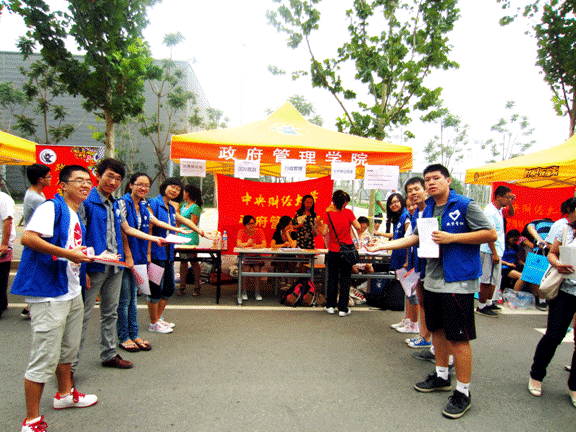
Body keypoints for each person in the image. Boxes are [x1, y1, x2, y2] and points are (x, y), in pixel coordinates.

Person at [371, 164, 496, 419]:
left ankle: (463, 392)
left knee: (458, 338)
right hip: (433, 279)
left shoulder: (465, 205)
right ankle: (441, 376)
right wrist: (383, 246)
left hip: (458, 280)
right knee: (437, 330)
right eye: (427, 179)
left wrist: (453, 238)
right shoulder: (427, 209)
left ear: (448, 180)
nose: (431, 183)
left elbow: (490, 233)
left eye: (436, 178)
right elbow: (415, 237)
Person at [11, 165, 98, 432]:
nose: (85, 185)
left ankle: (64, 395)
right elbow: (28, 238)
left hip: (70, 289)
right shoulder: (51, 208)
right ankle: (31, 420)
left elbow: (71, 248)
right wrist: (69, 254)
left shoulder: (75, 212)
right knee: (44, 356)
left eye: (88, 181)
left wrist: (80, 268)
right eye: (78, 180)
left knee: (68, 349)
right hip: (49, 292)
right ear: (63, 185)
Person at [74, 158, 133, 371]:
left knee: (110, 312)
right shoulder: (86, 202)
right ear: (98, 176)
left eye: (118, 179)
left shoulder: (115, 203)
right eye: (109, 176)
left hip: (115, 266)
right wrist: (82, 270)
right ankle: (69, 367)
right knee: (81, 316)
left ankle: (109, 354)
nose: (113, 182)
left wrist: (128, 255)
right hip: (93, 268)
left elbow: (125, 230)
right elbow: (78, 237)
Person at [116, 173, 185, 349]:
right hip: (149, 256)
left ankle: (143, 328)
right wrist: (149, 249)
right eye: (139, 184)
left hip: (153, 256)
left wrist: (180, 231)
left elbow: (155, 222)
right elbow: (128, 230)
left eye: (146, 185)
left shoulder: (147, 205)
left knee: (156, 292)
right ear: (131, 185)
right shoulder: (134, 203)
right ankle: (135, 331)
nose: (143, 188)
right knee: (144, 293)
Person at [147, 177, 210, 332]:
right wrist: (148, 253)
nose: (174, 191)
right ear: (164, 187)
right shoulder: (152, 203)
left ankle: (158, 319)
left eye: (178, 189)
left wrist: (202, 233)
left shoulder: (170, 207)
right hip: (155, 254)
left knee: (169, 288)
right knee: (155, 289)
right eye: (172, 187)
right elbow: (151, 226)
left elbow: (185, 221)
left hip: (168, 254)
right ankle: (154, 323)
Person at [528, 217, 576, 408]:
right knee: (554, 335)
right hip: (565, 291)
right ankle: (536, 375)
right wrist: (557, 264)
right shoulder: (566, 230)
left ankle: (574, 386)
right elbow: (552, 253)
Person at [321, 190, 361, 317]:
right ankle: (343, 308)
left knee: (332, 278)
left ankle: (330, 306)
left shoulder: (328, 214)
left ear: (333, 202)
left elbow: (323, 232)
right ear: (344, 202)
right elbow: (358, 227)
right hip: (346, 250)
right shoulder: (348, 213)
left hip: (333, 250)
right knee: (345, 279)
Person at [476, 185, 515, 317]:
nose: (509, 200)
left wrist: (511, 202)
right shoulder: (490, 211)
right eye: (507, 197)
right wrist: (493, 252)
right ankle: (481, 306)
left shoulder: (499, 210)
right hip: (489, 249)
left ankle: (488, 302)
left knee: (493, 279)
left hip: (497, 249)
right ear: (498, 197)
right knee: (486, 279)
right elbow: (488, 233)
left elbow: (511, 214)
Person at [21, 163, 52, 319]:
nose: (51, 178)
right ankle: (32, 306)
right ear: (40, 179)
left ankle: (29, 306)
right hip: (37, 240)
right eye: (49, 176)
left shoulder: (35, 193)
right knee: (38, 273)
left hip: (37, 239)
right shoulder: (36, 198)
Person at [516, 217, 554, 310]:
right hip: (549, 251)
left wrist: (539, 240)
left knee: (532, 276)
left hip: (538, 251)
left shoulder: (535, 222)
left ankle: (540, 300)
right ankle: (541, 300)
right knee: (542, 277)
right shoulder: (555, 224)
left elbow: (531, 228)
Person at [177, 184, 204, 296]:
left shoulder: (195, 207)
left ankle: (197, 285)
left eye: (184, 191)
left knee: (193, 260)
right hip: (181, 235)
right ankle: (182, 286)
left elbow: (193, 224)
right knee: (183, 260)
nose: (182, 193)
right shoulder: (183, 206)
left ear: (188, 193)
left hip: (190, 237)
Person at [237, 214, 267, 300]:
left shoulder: (259, 231)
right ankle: (244, 292)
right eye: (249, 224)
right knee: (246, 270)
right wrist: (247, 243)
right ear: (245, 225)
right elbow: (238, 244)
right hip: (245, 257)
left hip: (256, 256)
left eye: (253, 223)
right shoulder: (241, 232)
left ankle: (257, 292)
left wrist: (257, 246)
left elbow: (264, 244)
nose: (252, 225)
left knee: (257, 270)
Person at [0, 175, 15, 320]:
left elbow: (8, 221)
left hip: (2, 245)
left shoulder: (3, 199)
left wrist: (4, 244)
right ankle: (3, 303)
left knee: (1, 277)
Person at [270, 215, 297, 288]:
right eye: (289, 224)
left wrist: (288, 234)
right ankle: (282, 278)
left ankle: (291, 280)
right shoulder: (278, 232)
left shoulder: (293, 233)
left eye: (291, 224)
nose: (290, 226)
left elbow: (293, 246)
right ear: (283, 224)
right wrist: (283, 245)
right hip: (279, 254)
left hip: (290, 255)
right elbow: (272, 245)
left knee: (292, 260)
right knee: (280, 259)